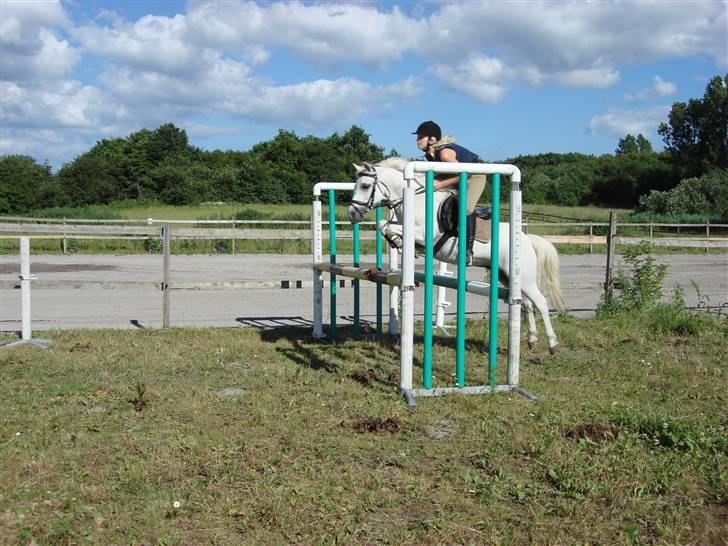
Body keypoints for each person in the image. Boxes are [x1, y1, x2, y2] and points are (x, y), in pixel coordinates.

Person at [413, 120, 485, 266]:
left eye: (421, 137)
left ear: (432, 139)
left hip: (474, 176)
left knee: (465, 207)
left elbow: (463, 174)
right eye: (418, 137)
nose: (417, 141)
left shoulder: (444, 153)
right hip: (459, 177)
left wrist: (440, 184)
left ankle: (467, 251)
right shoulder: (430, 156)